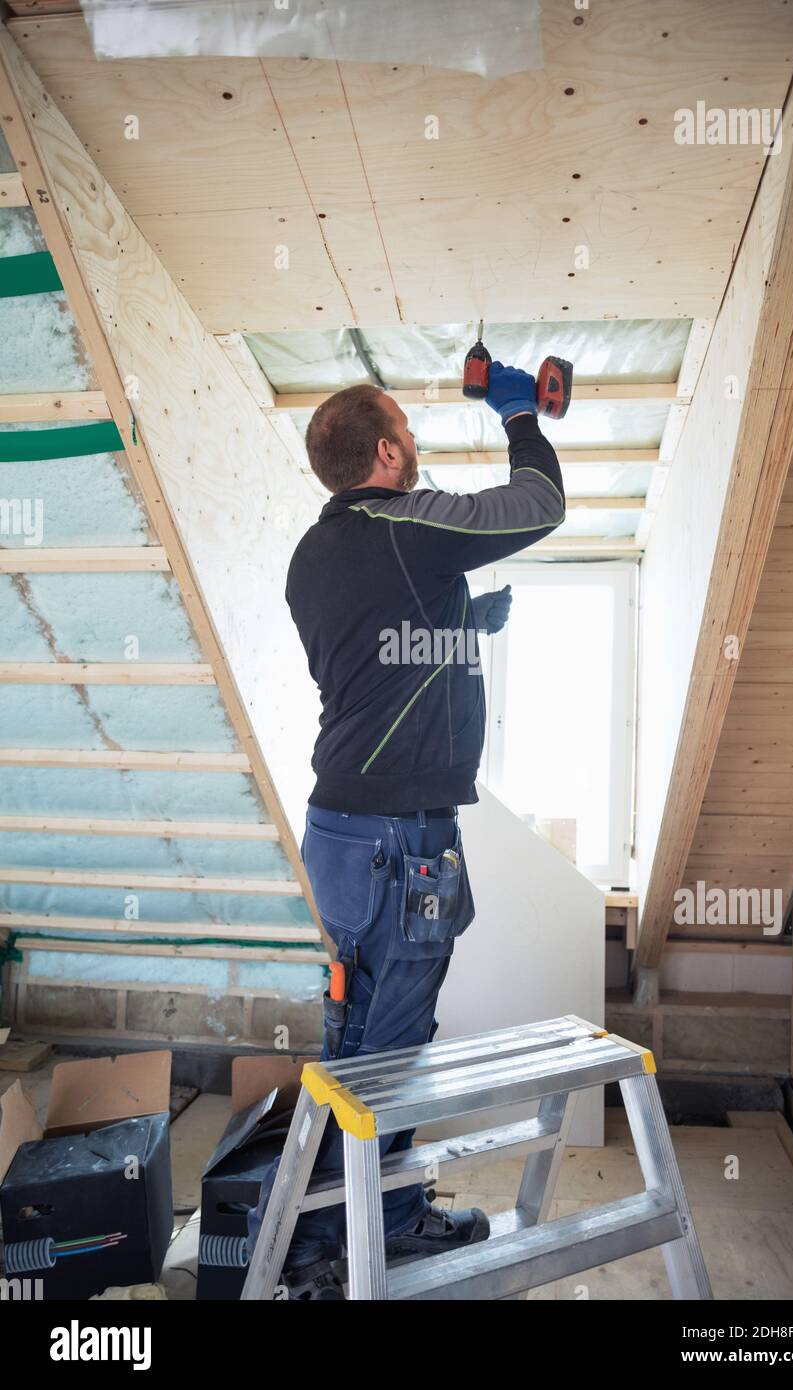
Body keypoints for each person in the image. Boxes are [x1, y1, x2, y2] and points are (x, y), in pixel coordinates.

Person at [247, 361, 565, 1298]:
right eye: (407, 437)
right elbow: (537, 504)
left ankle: (308, 1240)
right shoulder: (403, 521)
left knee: (351, 1040)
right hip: (400, 842)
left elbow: (379, 655)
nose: (418, 451)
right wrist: (518, 411)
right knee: (391, 1054)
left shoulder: (315, 552)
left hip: (340, 835)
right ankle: (377, 1238)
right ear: (385, 452)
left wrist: (466, 624)